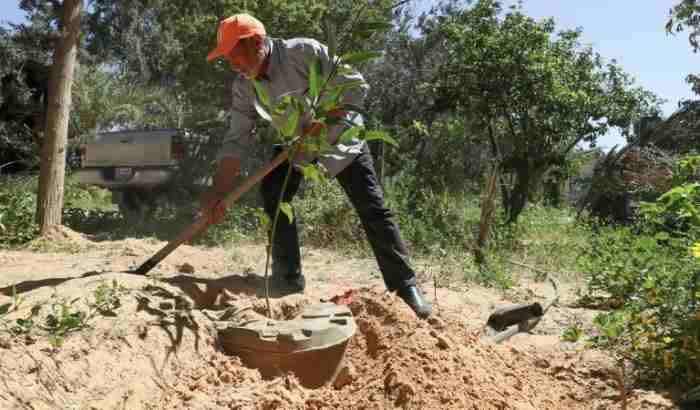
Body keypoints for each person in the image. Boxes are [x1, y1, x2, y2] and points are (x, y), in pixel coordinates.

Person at [201, 13, 432, 319]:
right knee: (274, 192)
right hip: (296, 144)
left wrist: (325, 123)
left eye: (235, 56)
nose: (234, 65)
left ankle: (405, 288)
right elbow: (236, 139)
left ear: (257, 43)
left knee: (372, 208)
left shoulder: (303, 52)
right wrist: (219, 191)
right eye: (227, 59)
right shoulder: (244, 86)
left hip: (340, 136)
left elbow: (354, 87)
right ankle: (288, 278)